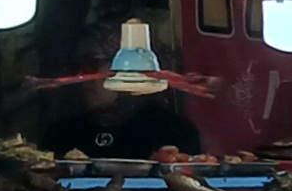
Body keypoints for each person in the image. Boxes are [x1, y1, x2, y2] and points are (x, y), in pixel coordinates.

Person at [35, 18, 202, 159]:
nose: (82, 77)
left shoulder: (172, 133)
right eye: (75, 67)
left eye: (91, 64)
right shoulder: (62, 134)